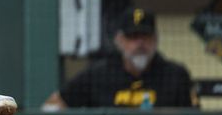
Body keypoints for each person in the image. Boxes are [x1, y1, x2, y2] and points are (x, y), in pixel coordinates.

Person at [43, 8, 196, 109]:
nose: (140, 43)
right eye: (133, 37)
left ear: (155, 39)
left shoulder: (176, 75)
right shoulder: (98, 73)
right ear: (120, 40)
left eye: (145, 36)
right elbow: (54, 104)